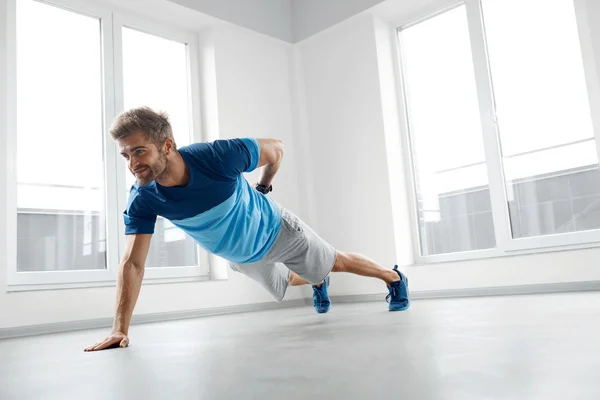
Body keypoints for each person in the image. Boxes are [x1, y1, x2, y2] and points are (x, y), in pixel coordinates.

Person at [84, 107, 409, 352]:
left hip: (277, 231)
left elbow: (277, 148)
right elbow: (133, 263)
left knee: (334, 261)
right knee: (289, 281)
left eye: (139, 151)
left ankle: (393, 278)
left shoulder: (217, 157)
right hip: (242, 257)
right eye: (125, 155)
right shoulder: (144, 198)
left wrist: (264, 186)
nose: (132, 163)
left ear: (167, 145)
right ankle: (317, 280)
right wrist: (120, 329)